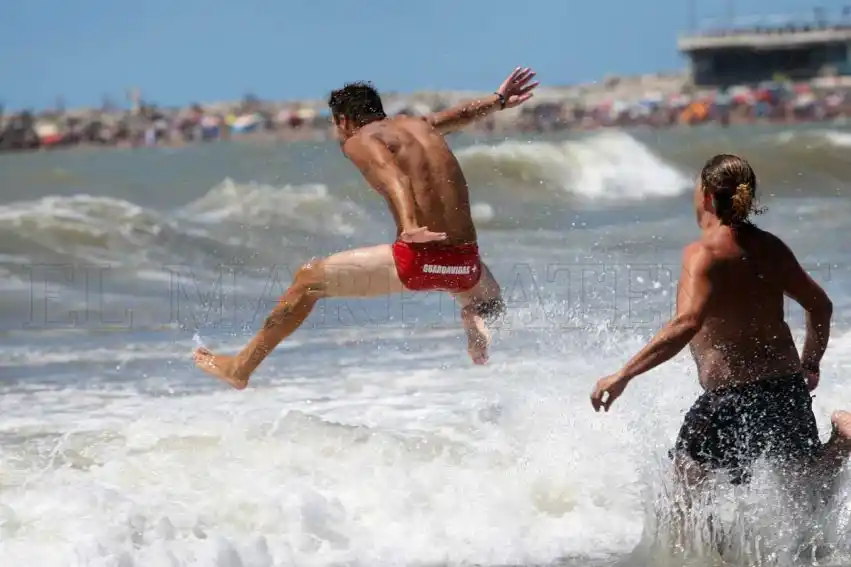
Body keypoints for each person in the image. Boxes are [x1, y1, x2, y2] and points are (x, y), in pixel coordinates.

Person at [193, 67, 539, 389]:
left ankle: (240, 368)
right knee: (488, 300)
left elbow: (393, 178)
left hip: (419, 259)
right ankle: (475, 314)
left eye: (335, 124)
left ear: (343, 120)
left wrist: (409, 227)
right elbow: (461, 115)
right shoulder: (420, 125)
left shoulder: (359, 139)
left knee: (308, 280)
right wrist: (498, 100)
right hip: (467, 265)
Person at [590, 153, 851, 491]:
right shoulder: (771, 247)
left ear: (708, 196)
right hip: (786, 388)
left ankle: (710, 546)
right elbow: (821, 307)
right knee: (804, 482)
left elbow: (686, 322)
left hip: (731, 396)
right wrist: (810, 364)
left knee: (686, 488)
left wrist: (624, 374)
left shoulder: (704, 254)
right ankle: (842, 443)